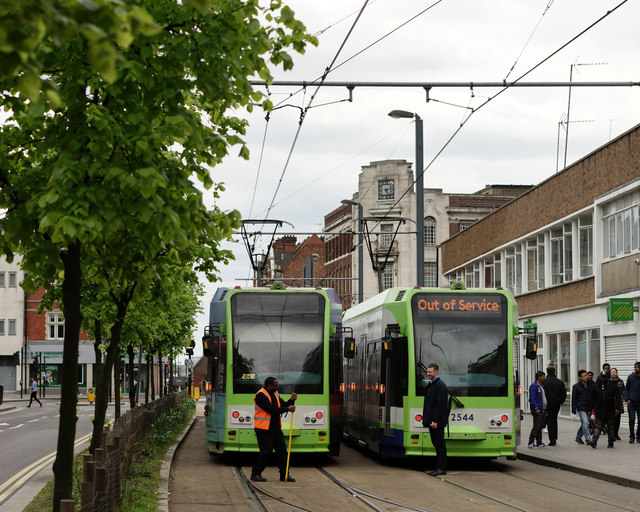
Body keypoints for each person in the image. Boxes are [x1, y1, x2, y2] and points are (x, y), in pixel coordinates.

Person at [250, 377, 297, 483]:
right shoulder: (260, 395)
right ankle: (255, 473)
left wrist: (292, 400)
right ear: (269, 386)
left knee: (282, 452)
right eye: (275, 385)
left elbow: (283, 404)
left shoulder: (275, 393)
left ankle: (284, 475)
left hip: (275, 428)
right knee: (266, 453)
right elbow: (271, 409)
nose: (277, 387)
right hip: (263, 429)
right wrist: (287, 409)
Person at [422, 362, 449, 476]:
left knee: (439, 443)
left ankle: (441, 468)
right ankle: (438, 467)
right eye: (427, 372)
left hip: (436, 422)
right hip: (432, 421)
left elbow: (440, 405)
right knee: (436, 443)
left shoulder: (439, 385)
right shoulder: (432, 384)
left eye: (430, 372)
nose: (428, 373)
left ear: (436, 372)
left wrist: (435, 421)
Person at [591, 370, 619, 448]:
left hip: (610, 410)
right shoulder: (596, 386)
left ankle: (610, 442)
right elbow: (592, 398)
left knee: (610, 427)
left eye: (605, 377)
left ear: (608, 377)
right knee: (598, 426)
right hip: (599, 410)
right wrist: (590, 409)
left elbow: (618, 397)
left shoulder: (613, 385)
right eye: (602, 377)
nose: (603, 378)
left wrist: (617, 408)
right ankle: (594, 441)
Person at [541, 365, 566, 446]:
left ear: (547, 372)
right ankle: (554, 437)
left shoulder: (544, 382)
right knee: (554, 420)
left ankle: (552, 439)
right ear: (555, 371)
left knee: (549, 421)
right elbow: (563, 394)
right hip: (556, 404)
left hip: (547, 404)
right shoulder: (559, 382)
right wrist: (560, 402)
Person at [571, 369, 595, 446]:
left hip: (589, 407)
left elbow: (593, 397)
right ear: (580, 378)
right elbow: (574, 398)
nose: (586, 377)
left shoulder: (591, 385)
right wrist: (573, 409)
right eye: (584, 376)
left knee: (585, 424)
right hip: (581, 407)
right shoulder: (576, 386)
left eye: (586, 375)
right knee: (585, 422)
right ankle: (588, 439)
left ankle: (578, 437)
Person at [528, 370, 547, 448]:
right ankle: (530, 442)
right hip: (537, 410)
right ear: (539, 377)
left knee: (540, 427)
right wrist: (536, 408)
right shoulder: (534, 386)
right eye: (543, 377)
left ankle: (539, 442)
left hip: (543, 409)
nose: (544, 378)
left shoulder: (541, 386)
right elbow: (532, 398)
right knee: (536, 426)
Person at [625, 361, 640, 443]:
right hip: (631, 402)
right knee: (632, 419)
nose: (635, 368)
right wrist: (627, 399)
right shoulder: (630, 377)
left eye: (637, 367)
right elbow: (626, 389)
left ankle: (639, 436)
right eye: (634, 367)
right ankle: (632, 436)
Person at [611, 368, 625, 441]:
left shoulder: (621, 382)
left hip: (619, 402)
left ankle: (616, 434)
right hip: (611, 403)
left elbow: (623, 391)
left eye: (614, 372)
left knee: (617, 420)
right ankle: (612, 435)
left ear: (617, 373)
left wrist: (625, 399)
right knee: (612, 420)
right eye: (612, 372)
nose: (613, 373)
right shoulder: (609, 382)